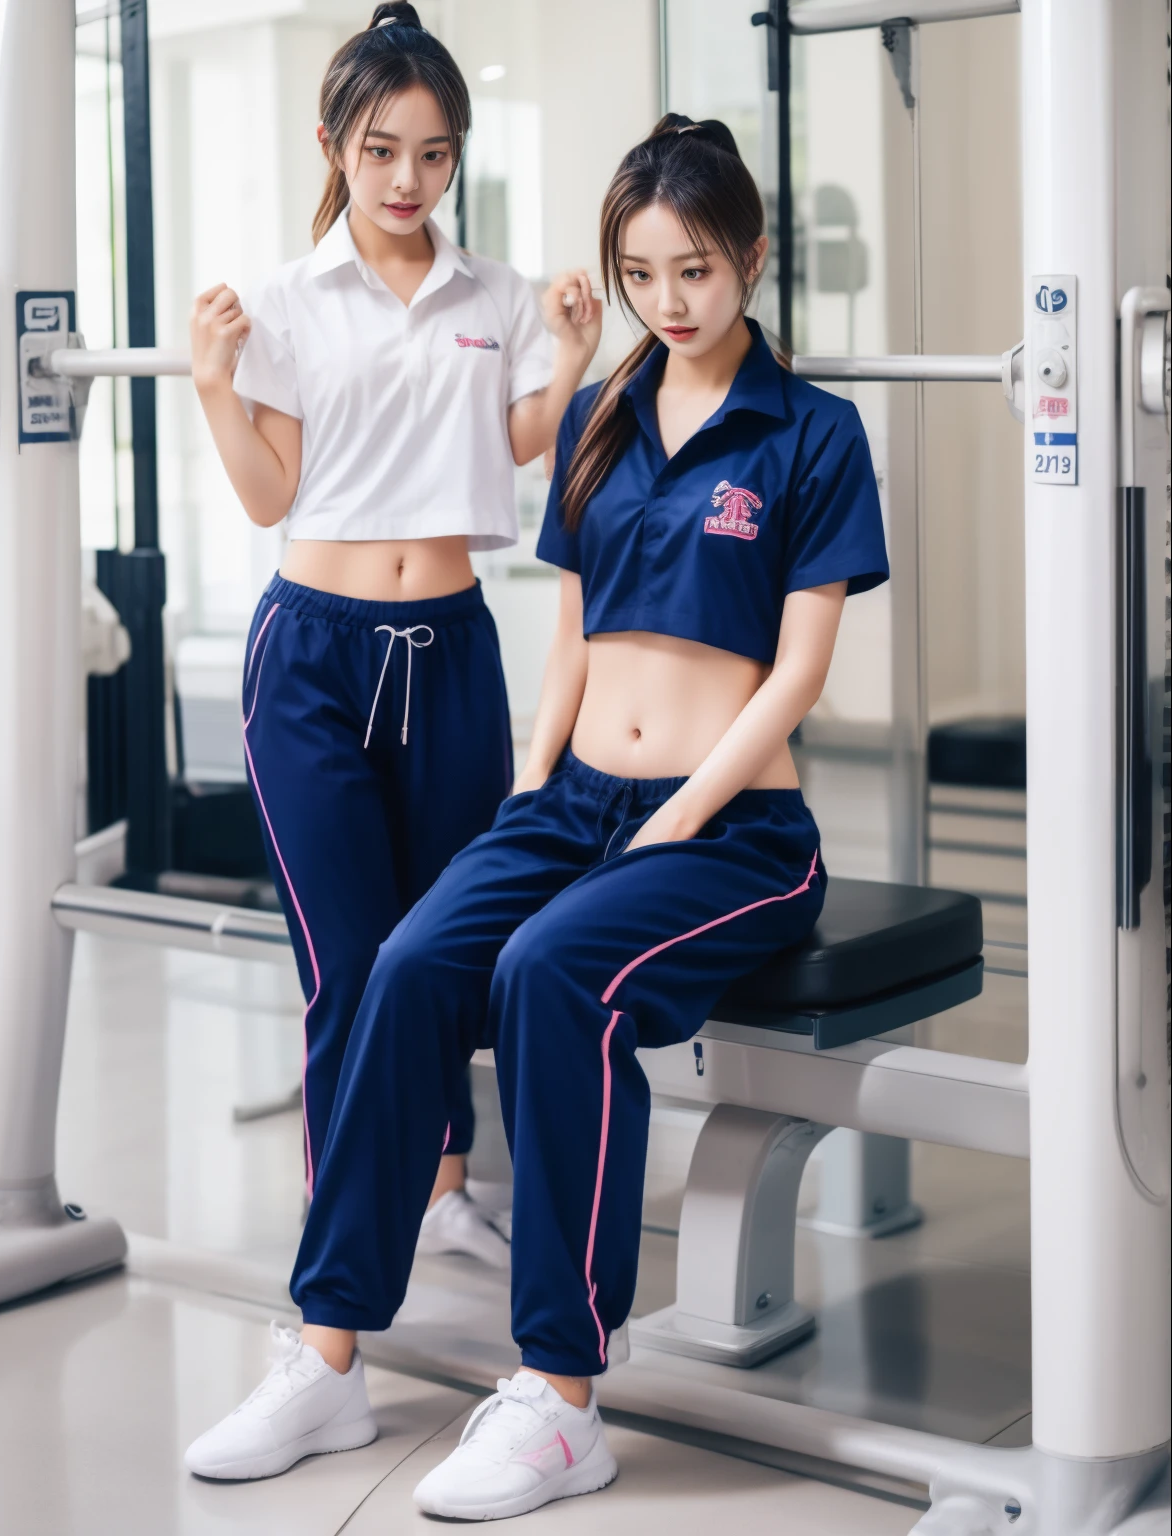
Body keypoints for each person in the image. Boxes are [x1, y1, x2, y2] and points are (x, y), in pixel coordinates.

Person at [185, 114, 888, 1520]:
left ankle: (563, 1396)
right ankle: (327, 1354)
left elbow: (801, 669)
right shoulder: (606, 412)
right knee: (406, 965)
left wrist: (680, 813)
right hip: (571, 796)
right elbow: (571, 629)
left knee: (552, 973)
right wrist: (531, 794)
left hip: (736, 828)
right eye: (640, 274)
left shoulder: (811, 432)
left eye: (694, 269)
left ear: (749, 258)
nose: (668, 301)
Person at [187, 2, 601, 1267]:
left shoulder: (499, 297)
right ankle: (345, 1236)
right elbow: (271, 497)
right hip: (315, 655)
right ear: (333, 147)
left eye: (432, 152)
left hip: (453, 649)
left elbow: (514, 448)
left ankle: (446, 1189)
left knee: (445, 940)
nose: (408, 179)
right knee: (350, 958)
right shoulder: (288, 301)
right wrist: (213, 385)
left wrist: (574, 355)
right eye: (380, 150)